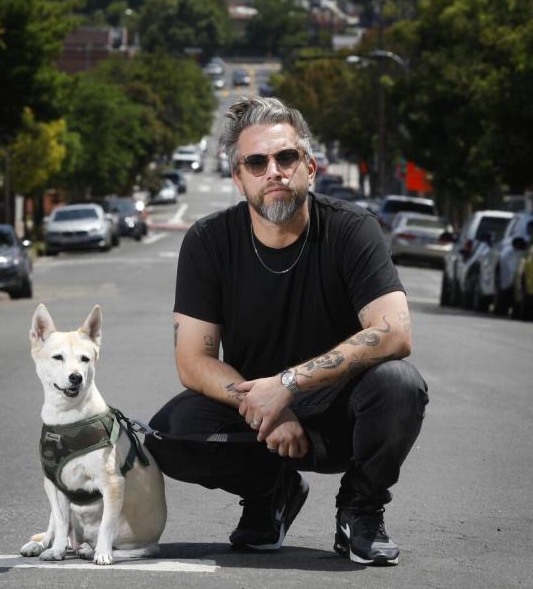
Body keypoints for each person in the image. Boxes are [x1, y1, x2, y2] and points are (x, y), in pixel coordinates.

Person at [144, 96, 429, 566]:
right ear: (238, 179)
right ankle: (271, 492)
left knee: (400, 384)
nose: (272, 171)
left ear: (310, 168)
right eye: (256, 162)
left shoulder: (353, 229)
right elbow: (193, 361)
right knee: (170, 435)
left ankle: (360, 507)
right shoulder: (209, 241)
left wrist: (289, 386)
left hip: (341, 412)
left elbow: (395, 332)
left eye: (286, 157)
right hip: (257, 411)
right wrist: (265, 407)